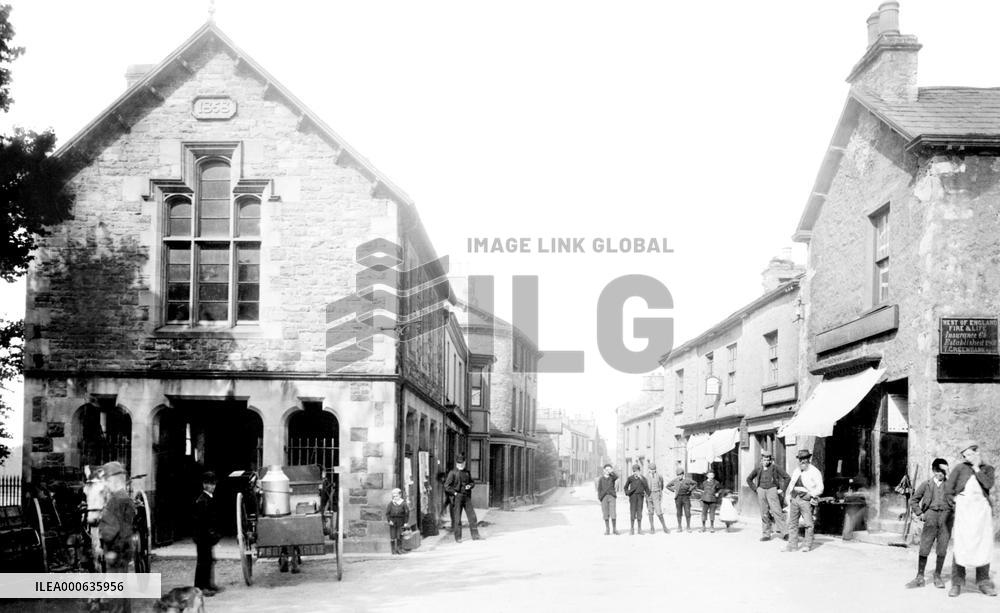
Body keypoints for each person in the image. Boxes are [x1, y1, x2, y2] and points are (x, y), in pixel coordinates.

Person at [945, 441, 996, 597]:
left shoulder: (988, 469)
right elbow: (948, 489)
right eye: (964, 455)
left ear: (976, 452)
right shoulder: (960, 468)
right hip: (964, 511)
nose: (966, 457)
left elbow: (988, 485)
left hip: (981, 511)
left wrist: (976, 469)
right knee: (961, 545)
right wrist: (953, 502)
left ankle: (983, 582)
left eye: (968, 454)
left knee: (983, 544)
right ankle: (957, 583)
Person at [905, 458, 951, 589]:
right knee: (925, 545)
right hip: (930, 517)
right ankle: (919, 577)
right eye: (938, 471)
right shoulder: (926, 484)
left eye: (943, 471)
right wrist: (920, 513)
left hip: (946, 518)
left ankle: (937, 576)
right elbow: (914, 500)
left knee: (942, 547)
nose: (941, 474)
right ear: (934, 471)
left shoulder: (950, 485)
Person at [98, 461, 136, 613]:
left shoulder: (116, 500)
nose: (105, 484)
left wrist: (111, 549)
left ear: (113, 479)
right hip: (123, 551)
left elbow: (116, 530)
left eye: (106, 480)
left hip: (116, 552)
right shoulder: (124, 498)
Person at [784, 449, 823, 552]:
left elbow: (820, 488)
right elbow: (792, 484)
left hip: (805, 499)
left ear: (809, 459)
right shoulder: (796, 470)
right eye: (801, 459)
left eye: (805, 458)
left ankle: (807, 545)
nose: (802, 461)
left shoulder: (814, 471)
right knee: (792, 523)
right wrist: (789, 496)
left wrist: (810, 495)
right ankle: (792, 545)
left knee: (808, 523)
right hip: (794, 498)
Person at [746, 450, 789, 541]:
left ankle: (785, 533)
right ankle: (766, 534)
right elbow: (749, 479)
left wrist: (782, 490)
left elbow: (787, 477)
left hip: (772, 490)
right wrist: (755, 489)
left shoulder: (775, 467)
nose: (766, 462)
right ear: (761, 460)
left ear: (770, 460)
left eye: (767, 460)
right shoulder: (758, 469)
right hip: (761, 490)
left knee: (777, 511)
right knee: (764, 512)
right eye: (764, 460)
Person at [192, 471, 224, 591]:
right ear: (205, 485)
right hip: (202, 536)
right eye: (211, 484)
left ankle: (209, 584)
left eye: (214, 484)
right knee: (203, 562)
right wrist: (210, 533)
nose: (213, 486)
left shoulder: (209, 498)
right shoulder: (202, 500)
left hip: (207, 535)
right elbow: (202, 521)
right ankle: (200, 587)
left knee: (209, 560)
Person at [444, 454, 481, 542]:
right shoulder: (452, 473)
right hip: (457, 498)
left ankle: (475, 536)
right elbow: (446, 486)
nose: (460, 465)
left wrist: (469, 486)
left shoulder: (467, 472)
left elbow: (472, 482)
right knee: (457, 518)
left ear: (465, 463)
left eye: (462, 463)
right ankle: (458, 538)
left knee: (472, 517)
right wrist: (455, 493)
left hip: (467, 497)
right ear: (456, 464)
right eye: (458, 463)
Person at [666, 467, 697, 532]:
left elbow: (695, 483)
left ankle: (688, 527)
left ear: (683, 474)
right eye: (678, 475)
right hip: (678, 498)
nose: (679, 476)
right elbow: (667, 486)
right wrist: (673, 490)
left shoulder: (687, 480)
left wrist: (690, 489)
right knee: (679, 513)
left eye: (681, 474)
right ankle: (679, 527)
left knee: (687, 512)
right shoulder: (675, 480)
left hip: (686, 498)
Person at [624, 464, 649, 535]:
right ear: (633, 471)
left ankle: (639, 529)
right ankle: (631, 529)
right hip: (633, 497)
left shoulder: (643, 478)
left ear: (639, 471)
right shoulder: (630, 478)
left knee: (639, 513)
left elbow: (646, 487)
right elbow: (625, 487)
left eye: (637, 471)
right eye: (634, 471)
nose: (636, 472)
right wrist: (628, 493)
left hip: (640, 497)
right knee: (632, 512)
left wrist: (641, 478)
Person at [645, 463, 669, 534]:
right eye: (651, 470)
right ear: (649, 470)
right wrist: (646, 495)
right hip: (649, 495)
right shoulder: (646, 477)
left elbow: (661, 485)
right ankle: (652, 528)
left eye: (654, 469)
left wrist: (659, 493)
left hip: (656, 494)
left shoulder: (659, 476)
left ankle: (664, 527)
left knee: (659, 511)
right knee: (650, 512)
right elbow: (644, 487)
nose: (652, 471)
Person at [595, 463, 619, 535]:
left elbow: (616, 477)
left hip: (612, 496)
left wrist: (611, 472)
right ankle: (607, 529)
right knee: (605, 513)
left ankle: (614, 529)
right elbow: (599, 489)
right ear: (603, 470)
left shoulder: (612, 477)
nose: (607, 471)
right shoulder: (601, 479)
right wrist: (600, 498)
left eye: (609, 469)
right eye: (606, 469)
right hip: (604, 497)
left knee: (613, 513)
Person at [386, 487, 410, 555]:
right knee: (393, 536)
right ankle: (393, 550)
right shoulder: (391, 504)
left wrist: (405, 522)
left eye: (396, 496)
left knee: (400, 535)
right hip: (393, 521)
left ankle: (399, 549)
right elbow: (387, 513)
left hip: (400, 521)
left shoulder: (403, 503)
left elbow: (407, 513)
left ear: (400, 495)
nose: (395, 498)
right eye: (394, 496)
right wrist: (389, 520)